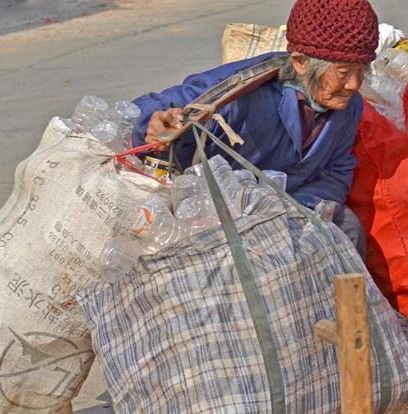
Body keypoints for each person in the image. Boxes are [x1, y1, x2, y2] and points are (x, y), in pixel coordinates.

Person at [131, 0, 378, 258]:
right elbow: (157, 110)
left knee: (347, 228)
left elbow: (337, 174)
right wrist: (154, 122)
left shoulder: (349, 107)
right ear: (301, 63)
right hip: (224, 217)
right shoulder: (238, 95)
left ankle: (349, 300)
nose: (354, 84)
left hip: (293, 210)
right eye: (343, 72)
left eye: (362, 70)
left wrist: (294, 210)